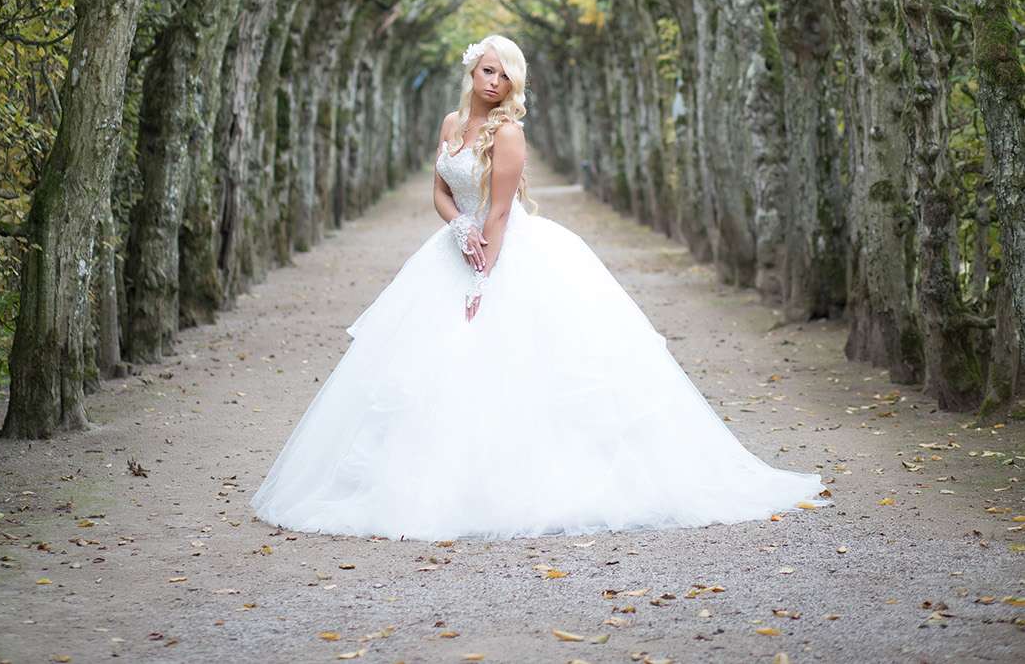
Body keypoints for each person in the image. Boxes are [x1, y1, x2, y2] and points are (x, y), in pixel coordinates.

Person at [250, 33, 832, 540]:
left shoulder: (508, 135)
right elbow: (441, 192)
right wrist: (457, 229)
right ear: (472, 72)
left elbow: (500, 213)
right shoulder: (452, 125)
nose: (494, 81)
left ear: (513, 83)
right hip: (454, 247)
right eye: (487, 70)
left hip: (503, 254)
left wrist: (482, 277)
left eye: (505, 74)